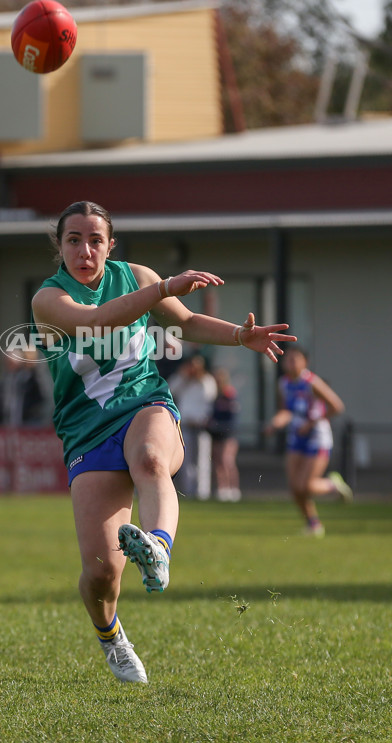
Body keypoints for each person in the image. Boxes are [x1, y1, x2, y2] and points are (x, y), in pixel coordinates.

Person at [31, 200, 296, 683]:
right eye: (74, 240)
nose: (85, 250)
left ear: (111, 245)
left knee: (152, 459)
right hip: (86, 429)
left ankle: (158, 546)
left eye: (95, 239)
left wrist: (241, 335)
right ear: (60, 247)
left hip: (144, 403)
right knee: (100, 573)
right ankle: (112, 637)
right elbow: (97, 323)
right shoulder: (48, 299)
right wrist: (161, 288)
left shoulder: (134, 275)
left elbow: (186, 323)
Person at [264, 345, 352, 537]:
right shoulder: (283, 384)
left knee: (307, 485)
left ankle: (333, 485)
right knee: (295, 487)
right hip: (296, 437)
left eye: (296, 358)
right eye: (289, 359)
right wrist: (274, 424)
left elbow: (336, 406)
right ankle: (313, 525)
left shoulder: (312, 382)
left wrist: (312, 423)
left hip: (317, 438)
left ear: (305, 362)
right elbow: (286, 411)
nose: (291, 362)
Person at [168, 352, 217, 500]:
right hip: (186, 425)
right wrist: (184, 377)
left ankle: (202, 493)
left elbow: (210, 395)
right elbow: (170, 390)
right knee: (186, 460)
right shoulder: (182, 380)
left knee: (203, 460)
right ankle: (189, 491)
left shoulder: (207, 380)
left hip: (201, 426)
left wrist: (198, 377)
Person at [208, 367, 241, 502]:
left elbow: (232, 413)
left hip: (228, 432)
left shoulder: (229, 394)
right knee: (217, 461)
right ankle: (222, 488)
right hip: (215, 432)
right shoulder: (213, 395)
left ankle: (233, 488)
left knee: (227, 460)